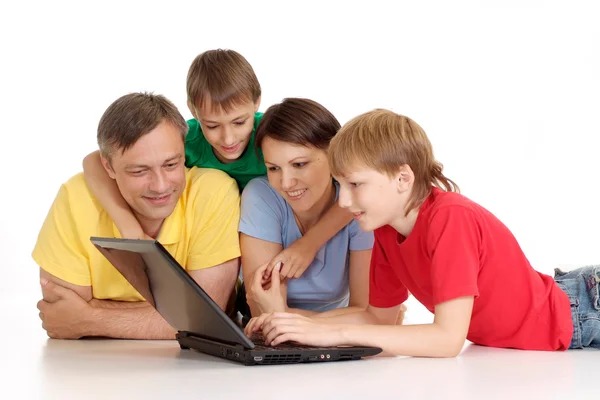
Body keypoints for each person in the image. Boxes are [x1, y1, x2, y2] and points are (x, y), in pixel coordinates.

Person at [246, 109, 600, 356]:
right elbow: (376, 318)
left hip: (583, 307)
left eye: (355, 184)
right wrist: (294, 324)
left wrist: (333, 333)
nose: (346, 200)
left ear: (403, 179)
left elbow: (447, 340)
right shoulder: (384, 231)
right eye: (341, 185)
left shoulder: (450, 219)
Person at [82, 49, 353, 280]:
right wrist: (129, 228)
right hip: (217, 247)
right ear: (192, 110)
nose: (228, 138)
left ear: (257, 102)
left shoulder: (271, 140)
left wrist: (309, 245)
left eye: (239, 122)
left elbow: (351, 190)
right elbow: (94, 160)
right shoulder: (186, 141)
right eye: (212, 125)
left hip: (273, 240)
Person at [33, 92, 241, 340]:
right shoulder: (75, 198)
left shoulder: (213, 192)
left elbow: (208, 319)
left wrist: (90, 319)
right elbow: (61, 312)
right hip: (90, 371)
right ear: (108, 167)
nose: (161, 185)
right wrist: (177, 316)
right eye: (140, 171)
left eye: (171, 165)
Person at [239, 98, 378, 328]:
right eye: (273, 168)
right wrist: (350, 320)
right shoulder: (261, 197)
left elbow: (367, 313)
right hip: (327, 330)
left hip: (337, 339)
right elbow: (260, 314)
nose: (286, 182)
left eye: (300, 164)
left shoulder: (359, 206)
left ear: (333, 155)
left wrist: (282, 314)